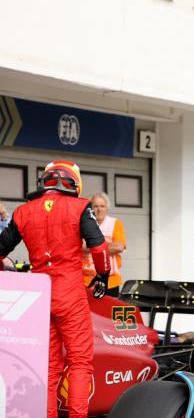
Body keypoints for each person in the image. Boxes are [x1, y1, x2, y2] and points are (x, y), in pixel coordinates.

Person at [0, 160, 110, 418]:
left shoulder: (23, 211)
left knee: (48, 366)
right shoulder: (80, 206)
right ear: (73, 181)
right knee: (80, 362)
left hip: (39, 297)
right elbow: (100, 249)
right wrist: (102, 276)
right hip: (70, 293)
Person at [81, 192, 126, 297]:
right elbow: (80, 246)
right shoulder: (82, 223)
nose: (99, 209)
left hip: (110, 281)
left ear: (107, 208)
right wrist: (108, 243)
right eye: (95, 206)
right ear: (90, 208)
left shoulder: (115, 223)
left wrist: (91, 244)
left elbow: (119, 247)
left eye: (102, 206)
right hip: (85, 281)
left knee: (107, 312)